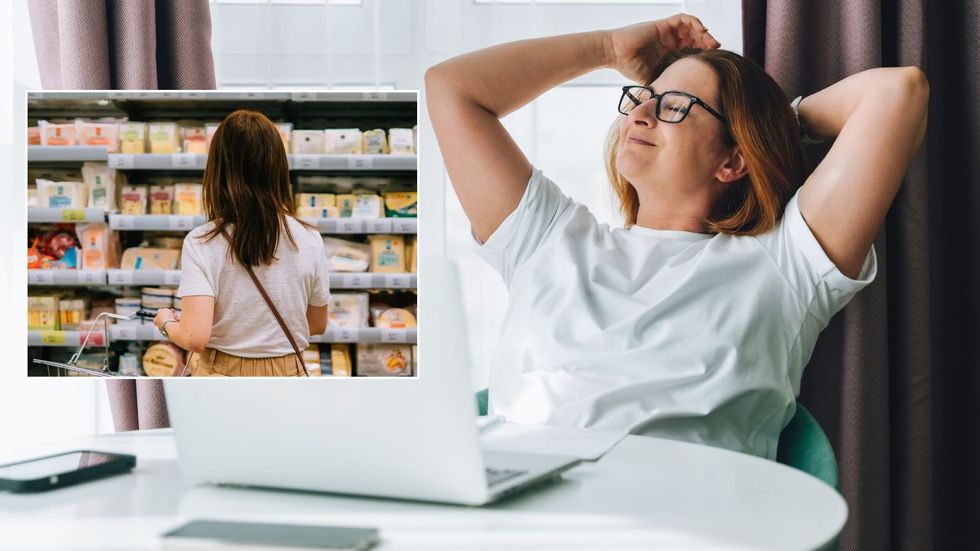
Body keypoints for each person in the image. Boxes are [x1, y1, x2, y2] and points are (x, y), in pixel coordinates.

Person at [425, 14, 928, 458]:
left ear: (733, 160)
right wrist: (608, 49)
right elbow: (450, 88)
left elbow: (898, 92)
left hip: (685, 516)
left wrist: (768, 127)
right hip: (528, 511)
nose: (639, 114)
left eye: (675, 106)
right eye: (641, 99)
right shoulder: (546, 239)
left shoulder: (785, 263)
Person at [153, 109, 331, 377]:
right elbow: (316, 324)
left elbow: (195, 337)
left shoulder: (202, 241)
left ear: (218, 170)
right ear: (278, 167)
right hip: (287, 374)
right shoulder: (309, 238)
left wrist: (166, 322)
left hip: (220, 374)